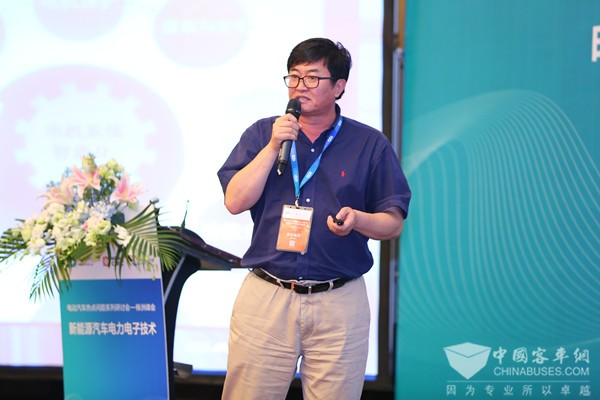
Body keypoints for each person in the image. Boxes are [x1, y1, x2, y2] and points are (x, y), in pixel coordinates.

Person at [217, 37, 411, 400]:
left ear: (339, 87)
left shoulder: (369, 144)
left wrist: (358, 220)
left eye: (311, 78)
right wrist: (273, 147)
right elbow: (235, 201)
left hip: (339, 301)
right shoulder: (263, 133)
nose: (299, 86)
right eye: (293, 77)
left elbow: (393, 222)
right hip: (268, 295)